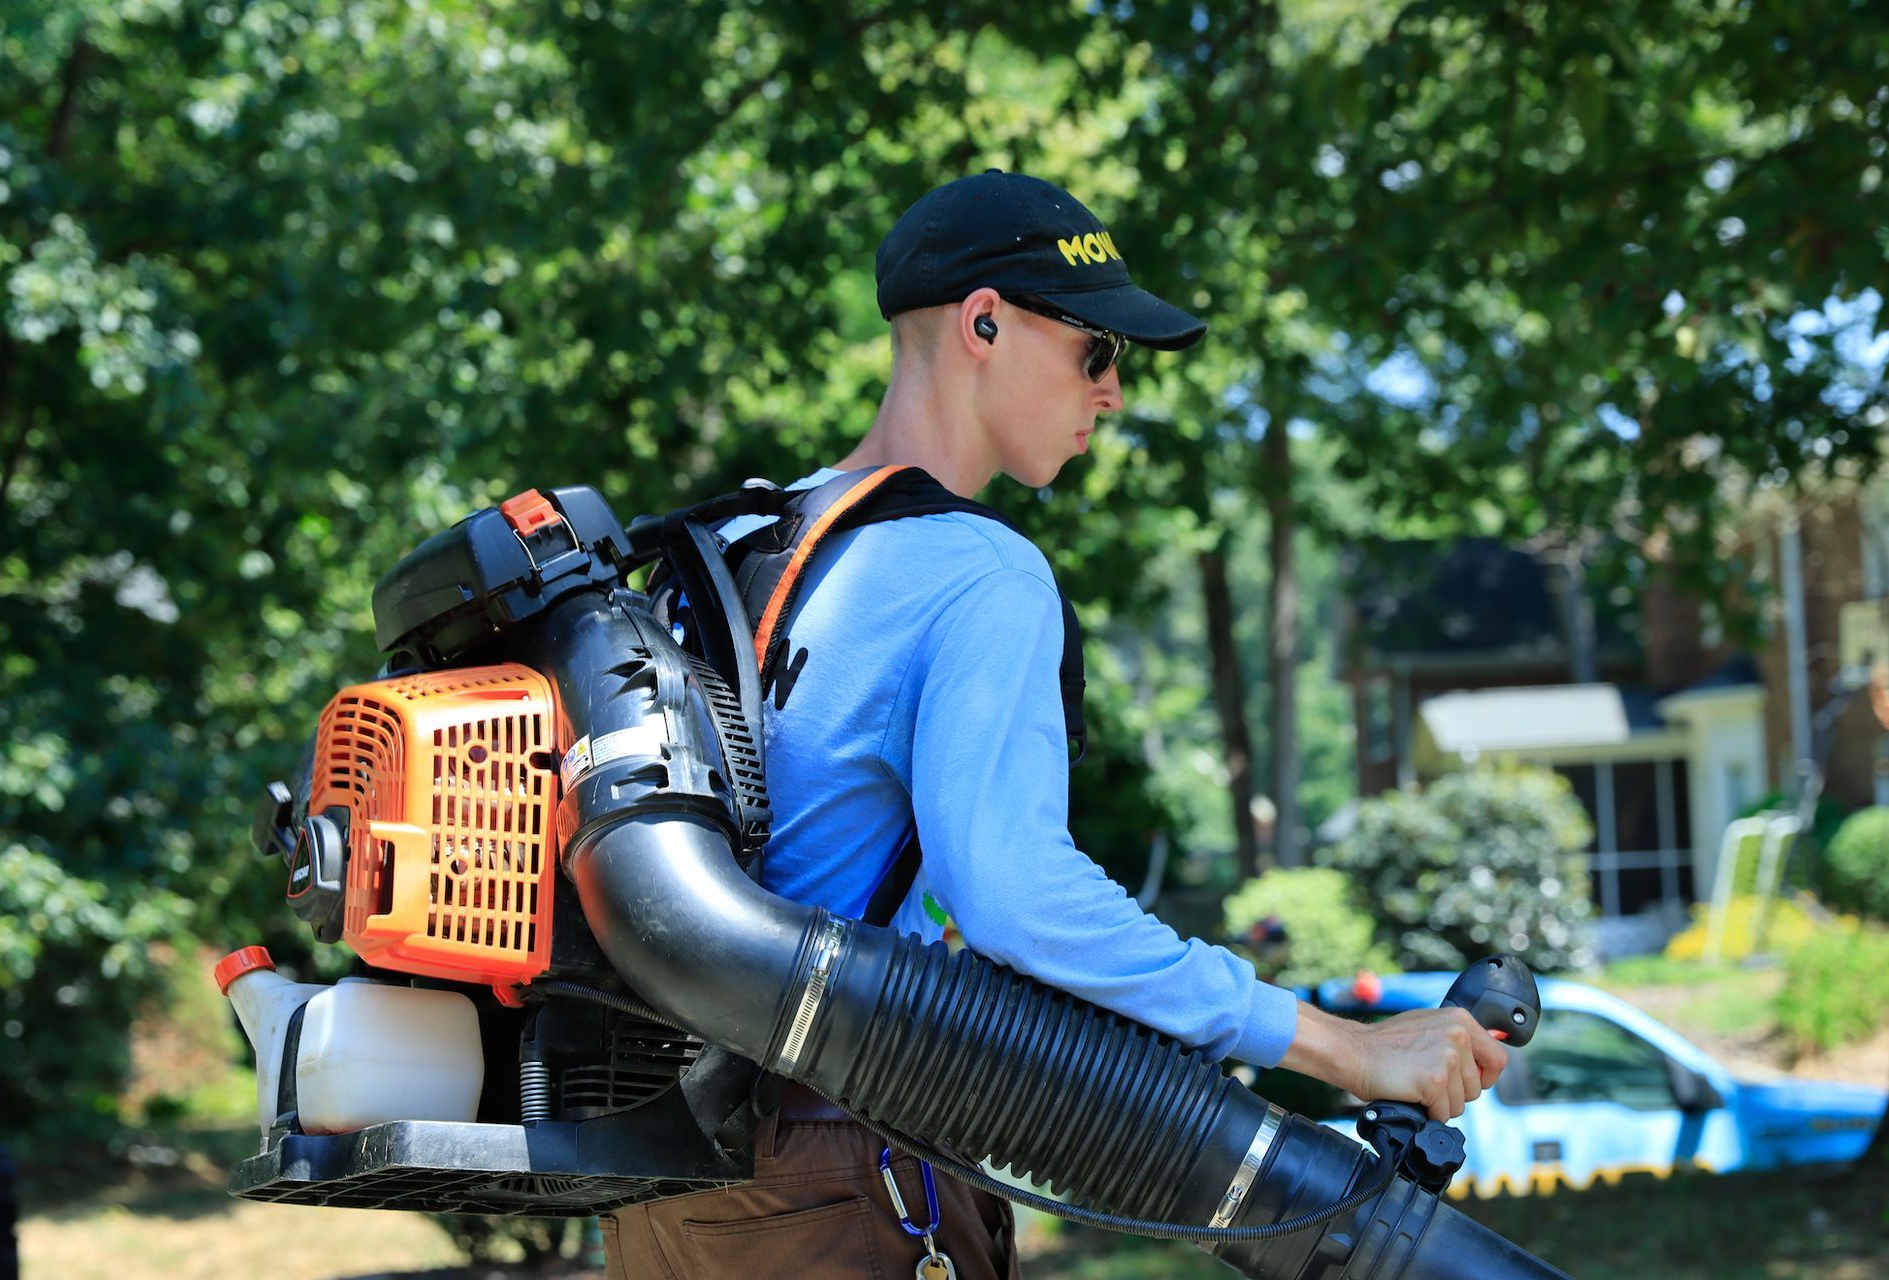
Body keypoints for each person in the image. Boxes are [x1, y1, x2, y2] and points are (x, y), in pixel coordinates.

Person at [601, 170, 1507, 1280]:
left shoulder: (738, 535)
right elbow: (1020, 899)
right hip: (847, 1170)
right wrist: (1344, 1045)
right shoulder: (980, 571)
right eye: (1095, 350)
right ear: (984, 322)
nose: (1115, 392)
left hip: (670, 1180)